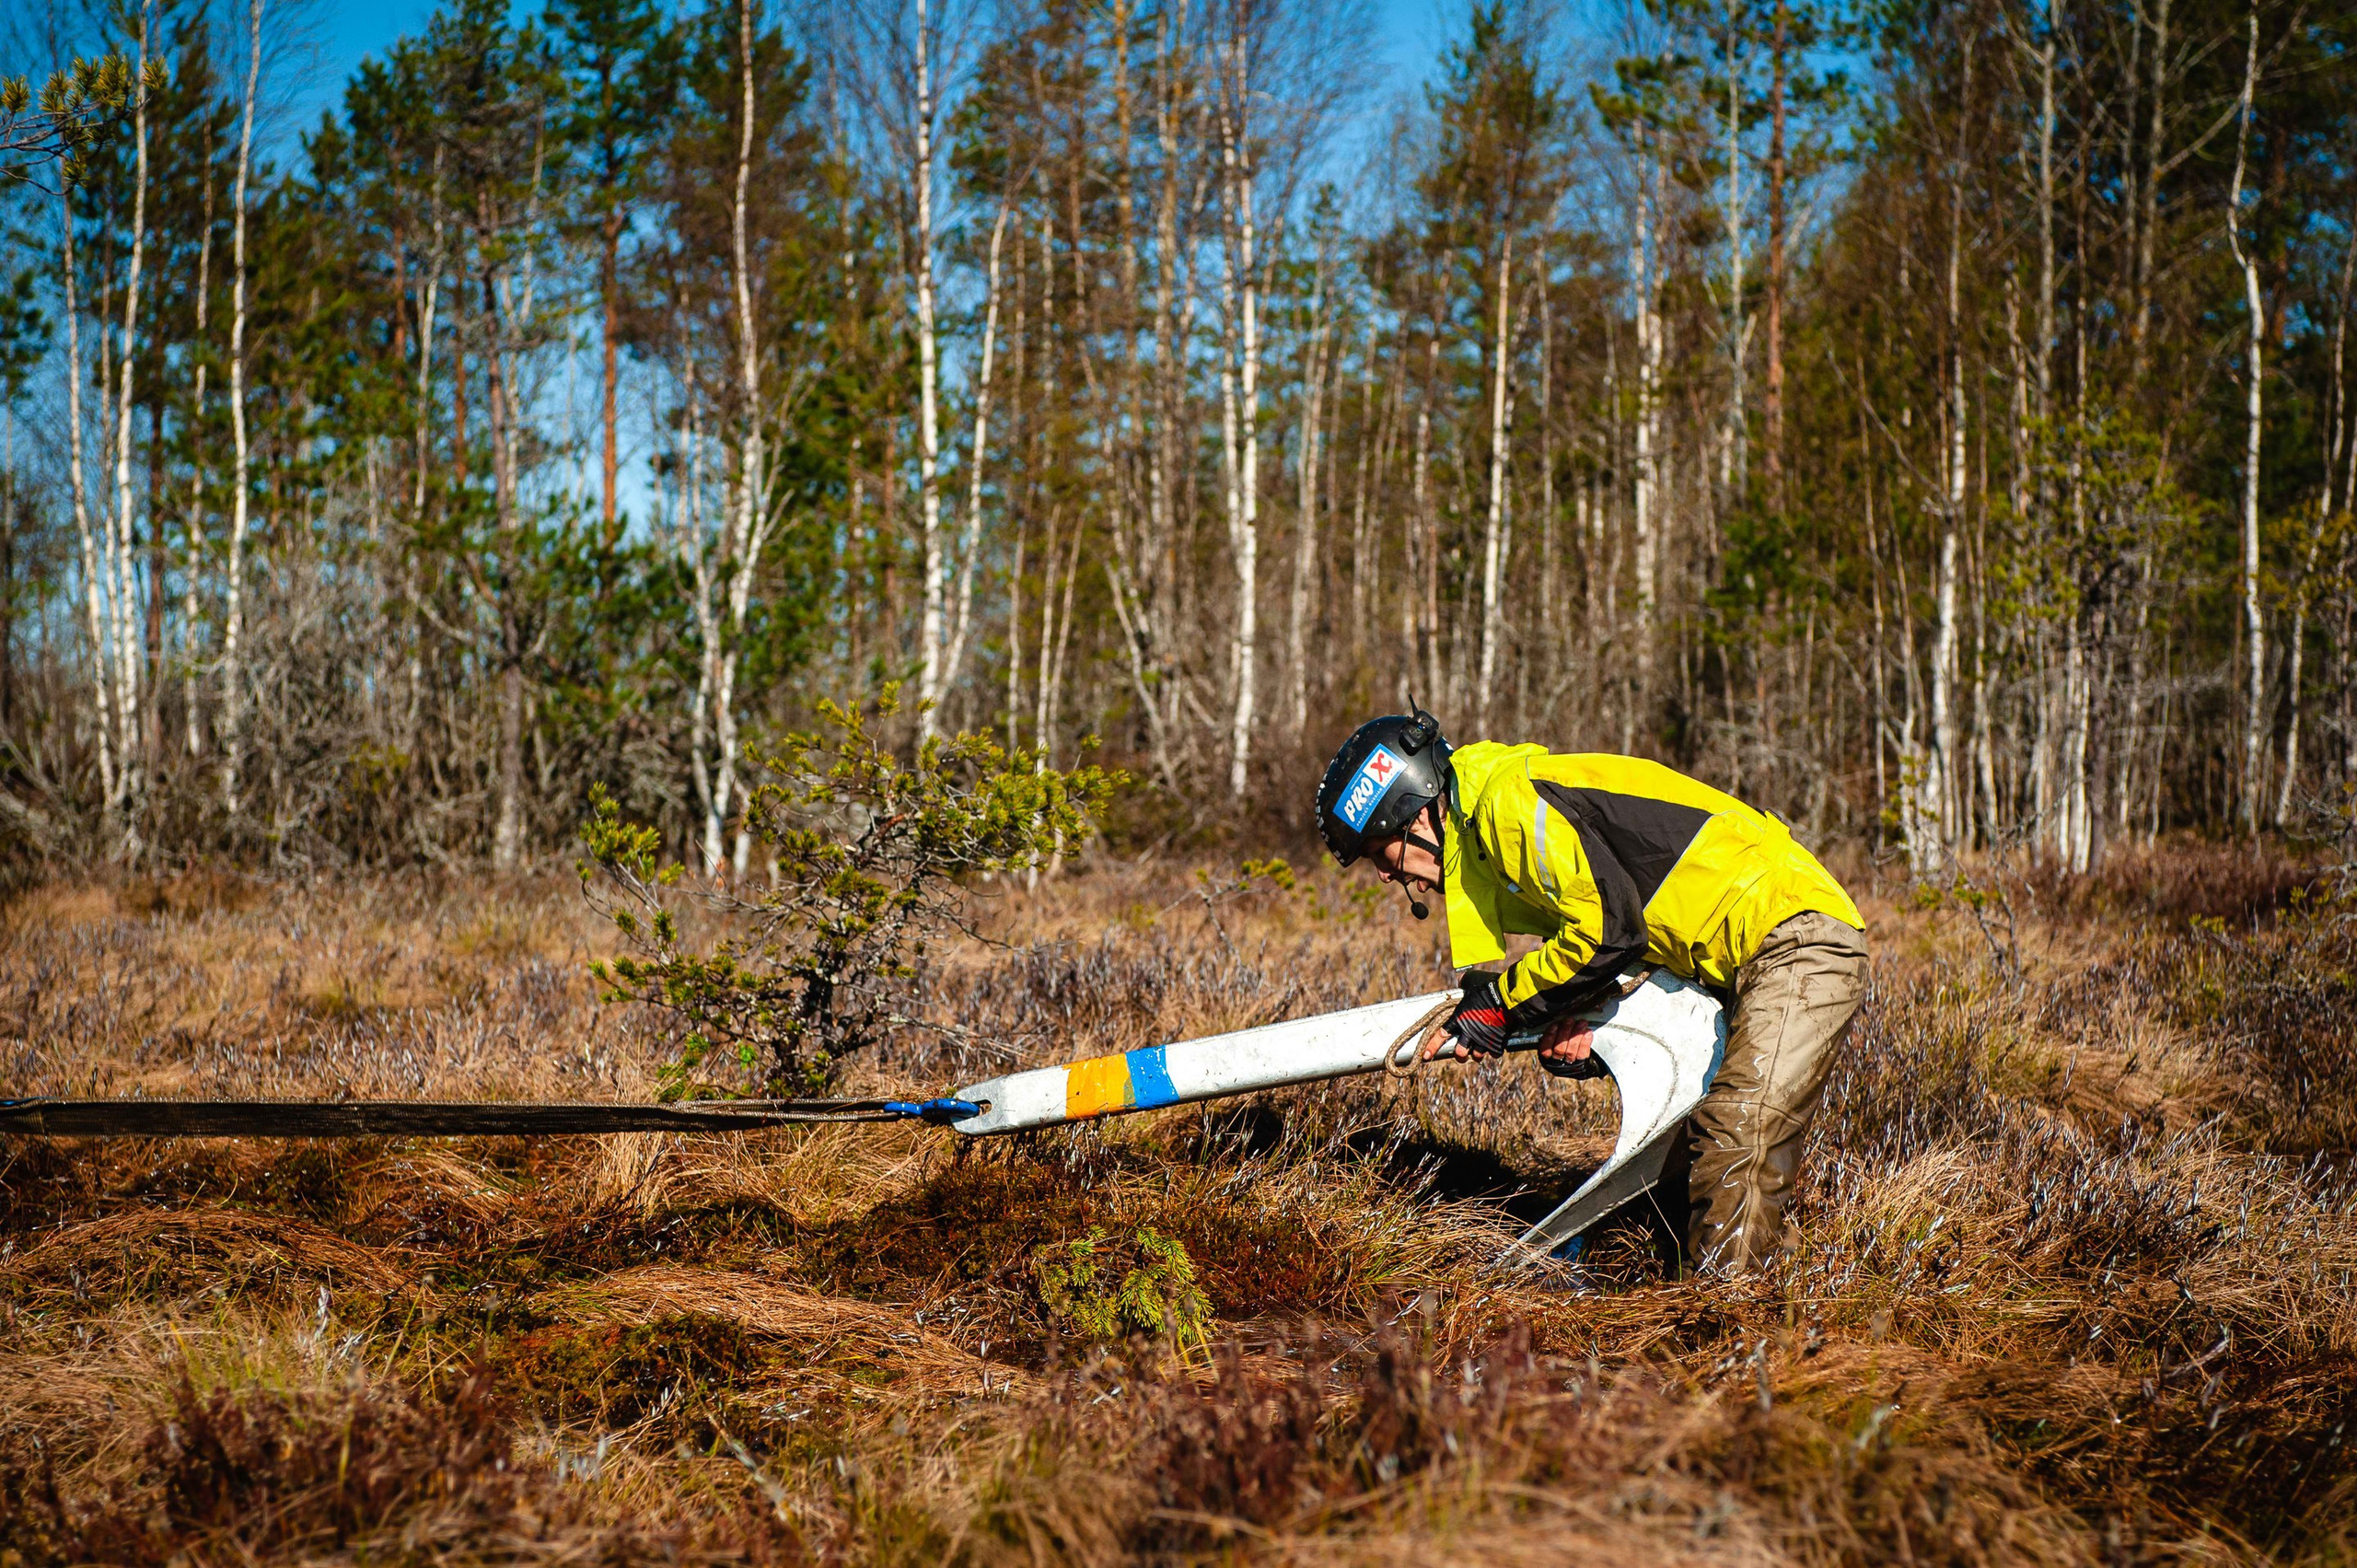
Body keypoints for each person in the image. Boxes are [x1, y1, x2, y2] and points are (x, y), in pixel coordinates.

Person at [1315, 708, 1868, 1274]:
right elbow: (1629, 937)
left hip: (1796, 935)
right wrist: (1577, 1019)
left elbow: (1608, 931)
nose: (1384, 876)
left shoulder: (1508, 803)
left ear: (1415, 815)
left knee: (1737, 1127)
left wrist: (1503, 1003)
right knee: (1689, 1145)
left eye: (1379, 852)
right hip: (1730, 954)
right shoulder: (1494, 821)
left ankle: (1730, 1331)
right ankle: (1796, 1296)